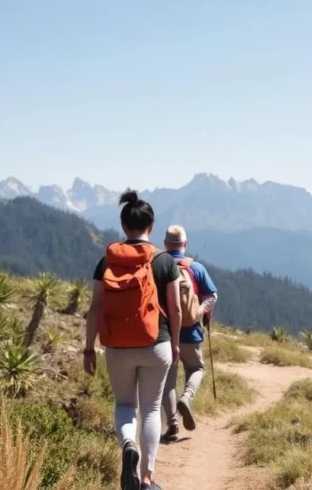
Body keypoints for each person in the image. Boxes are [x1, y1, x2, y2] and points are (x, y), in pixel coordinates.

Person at [84, 190, 181, 490]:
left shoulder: (107, 261)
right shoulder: (164, 261)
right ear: (151, 226)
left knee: (125, 404)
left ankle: (128, 444)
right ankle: (147, 479)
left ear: (124, 226)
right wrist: (176, 344)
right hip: (157, 343)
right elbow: (176, 308)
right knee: (151, 408)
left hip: (116, 346)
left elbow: (95, 308)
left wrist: (89, 348)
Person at [160, 224, 218, 444]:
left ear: (166, 244)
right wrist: (199, 311)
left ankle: (173, 426)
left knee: (168, 380)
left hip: (165, 333)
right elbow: (212, 294)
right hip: (191, 333)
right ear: (185, 244)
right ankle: (187, 397)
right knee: (197, 368)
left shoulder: (158, 265)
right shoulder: (196, 268)